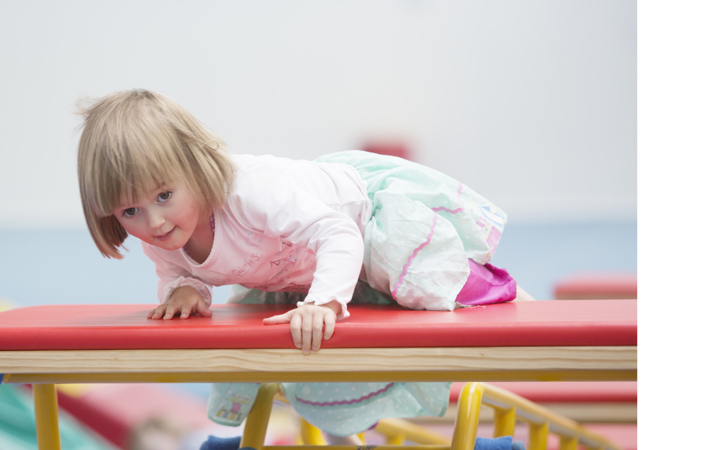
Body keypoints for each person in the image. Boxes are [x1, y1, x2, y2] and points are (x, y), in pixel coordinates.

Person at [76, 89, 534, 440]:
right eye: (129, 212)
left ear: (195, 166)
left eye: (164, 196)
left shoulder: (249, 192)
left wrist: (326, 300)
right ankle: (347, 441)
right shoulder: (161, 238)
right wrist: (184, 292)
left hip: (360, 219)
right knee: (305, 365)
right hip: (297, 270)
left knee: (423, 282)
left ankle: (505, 294)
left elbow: (336, 233)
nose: (154, 223)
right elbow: (179, 275)